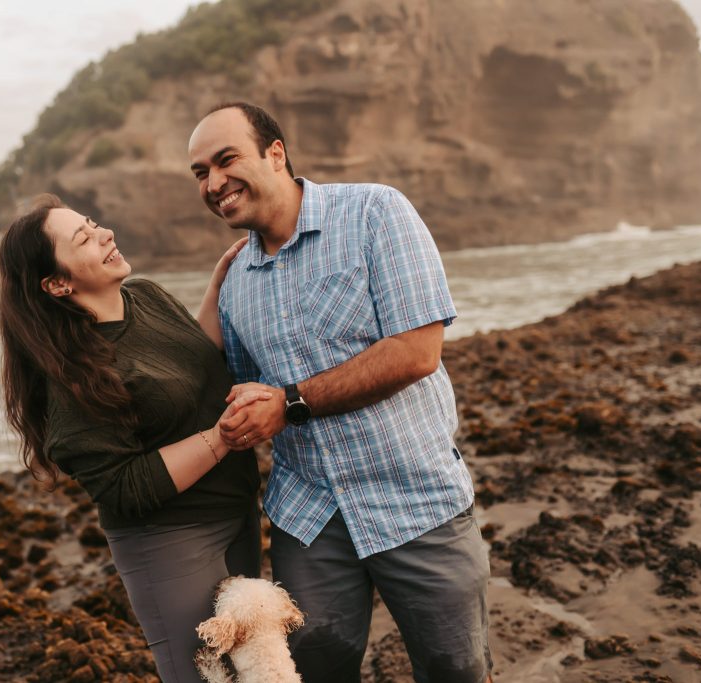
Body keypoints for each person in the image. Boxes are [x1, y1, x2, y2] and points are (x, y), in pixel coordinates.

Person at [187, 102, 492, 683]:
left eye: (226, 160)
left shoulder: (376, 212)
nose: (214, 182)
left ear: (275, 153)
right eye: (201, 172)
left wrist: (290, 402)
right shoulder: (235, 284)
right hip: (310, 518)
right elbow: (233, 394)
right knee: (315, 671)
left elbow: (416, 351)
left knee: (458, 669)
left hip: (417, 500)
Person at [0, 193, 267, 683]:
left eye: (94, 223)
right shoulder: (72, 373)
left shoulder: (146, 296)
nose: (104, 233)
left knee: (254, 669)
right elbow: (123, 485)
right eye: (83, 237)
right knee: (207, 678)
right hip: (171, 542)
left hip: (236, 514)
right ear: (57, 283)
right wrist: (222, 439)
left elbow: (192, 360)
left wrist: (218, 288)